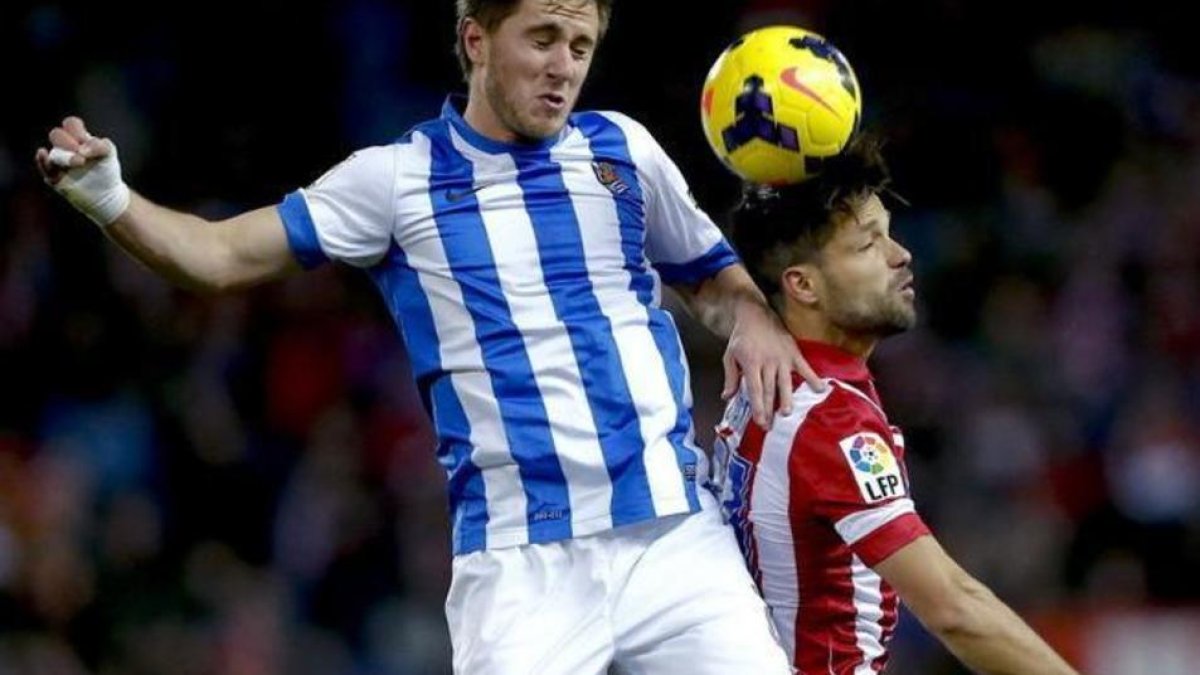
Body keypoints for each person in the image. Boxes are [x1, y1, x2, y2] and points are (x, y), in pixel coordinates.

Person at [36, 0, 811, 672]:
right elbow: (220, 254)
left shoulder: (622, 149)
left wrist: (752, 319)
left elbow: (712, 276)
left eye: (580, 48)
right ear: (476, 40)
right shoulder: (396, 179)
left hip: (674, 537)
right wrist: (111, 198)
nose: (563, 67)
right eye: (541, 38)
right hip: (520, 563)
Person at [715, 136, 1079, 674]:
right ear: (803, 285)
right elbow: (955, 608)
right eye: (867, 245)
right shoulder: (828, 417)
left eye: (888, 235)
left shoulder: (768, 375)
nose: (900, 254)